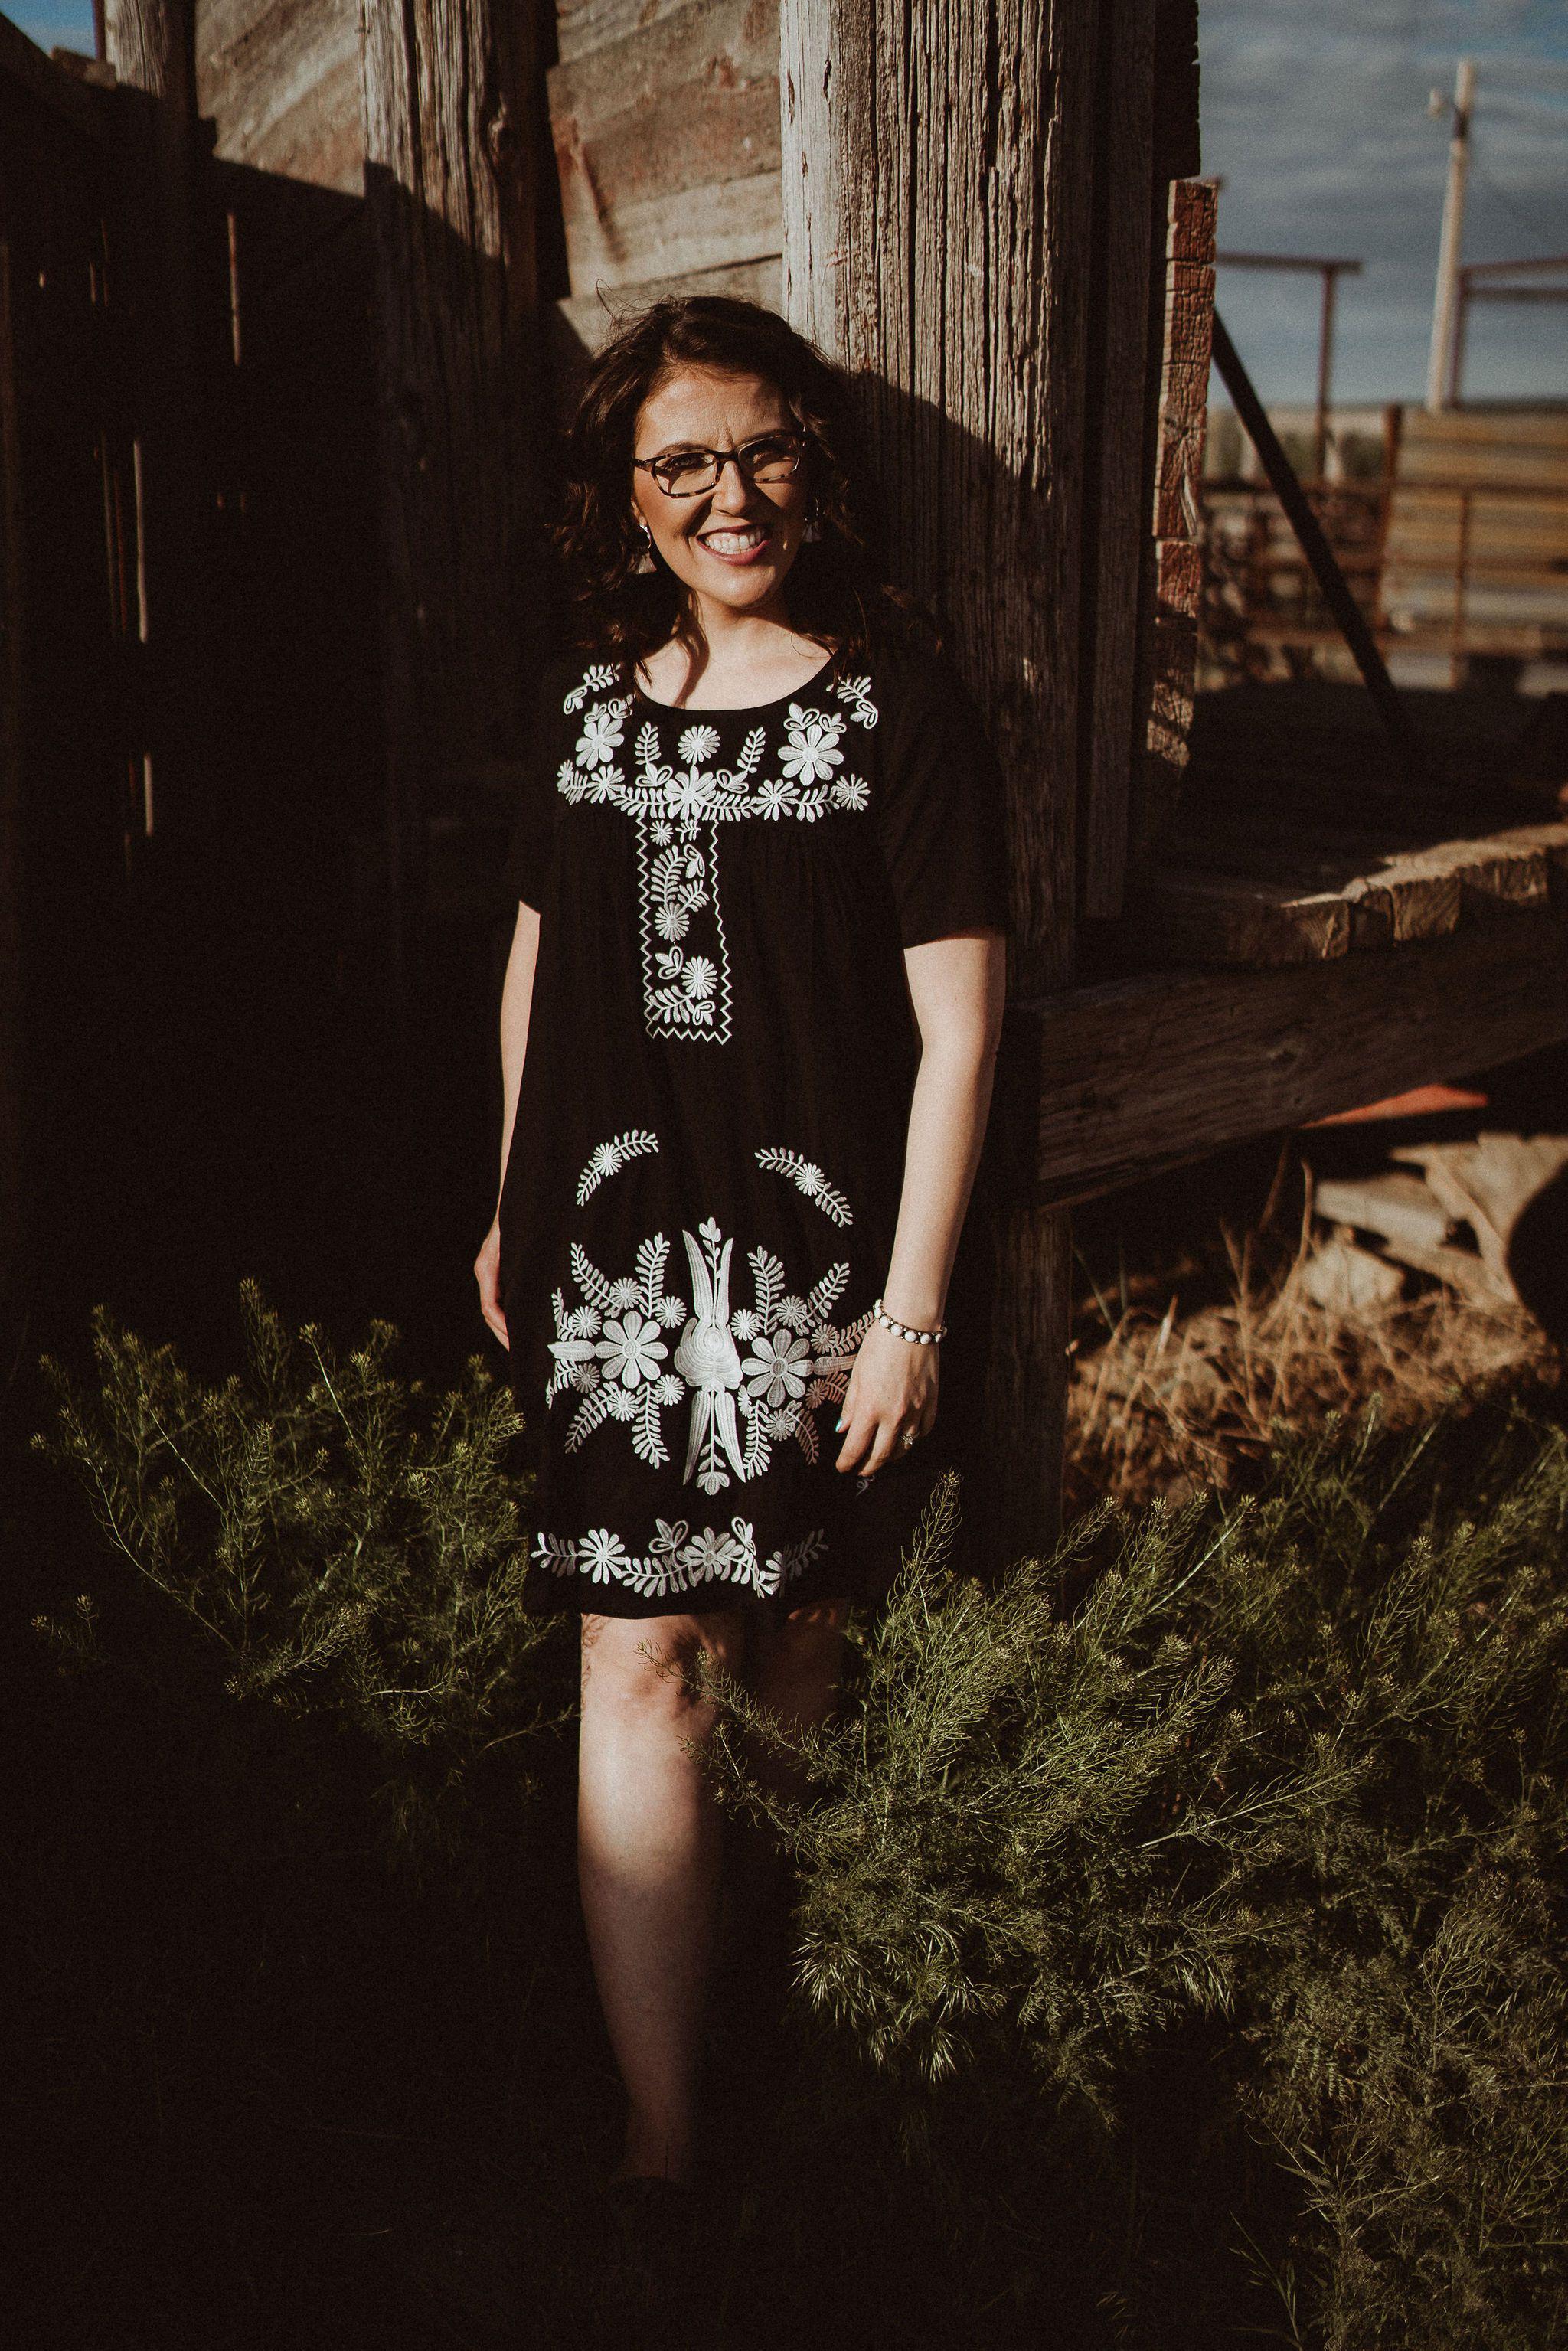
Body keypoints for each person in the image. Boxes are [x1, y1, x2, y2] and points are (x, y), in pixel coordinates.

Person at [473, 295, 1008, 2206]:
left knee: (791, 1646)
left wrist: (912, 1313)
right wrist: (506, 1201)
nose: (731, 494)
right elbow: (537, 956)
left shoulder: (899, 712)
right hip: (613, 1257)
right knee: (633, 1652)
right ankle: (661, 2144)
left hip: (818, 1268)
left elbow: (958, 1030)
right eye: (682, 463)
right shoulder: (587, 704)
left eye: (766, 450)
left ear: (817, 465)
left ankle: (794, 2074)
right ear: (625, 499)